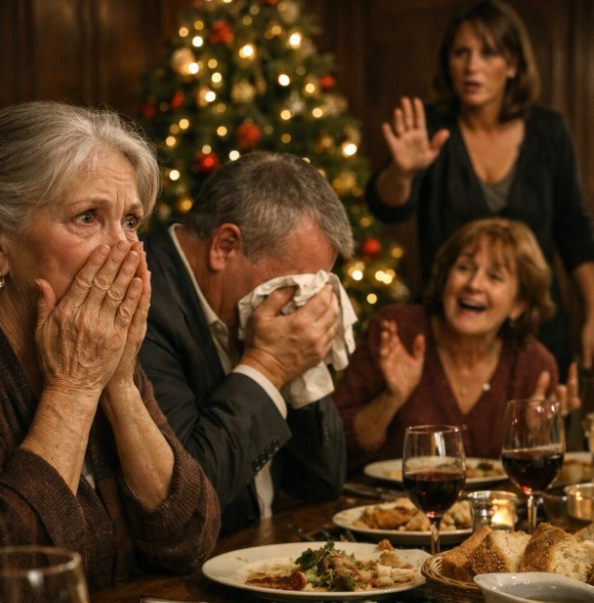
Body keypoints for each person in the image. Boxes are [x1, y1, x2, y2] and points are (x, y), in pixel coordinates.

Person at [0, 101, 220, 593]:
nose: (123, 249)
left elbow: (191, 539)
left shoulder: (99, 349)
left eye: (132, 221)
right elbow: (15, 582)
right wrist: (74, 388)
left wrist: (119, 383)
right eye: (87, 217)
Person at [365, 0, 594, 380]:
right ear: (448, 62)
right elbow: (388, 206)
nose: (472, 66)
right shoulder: (432, 126)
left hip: (536, 331)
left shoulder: (548, 131)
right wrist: (402, 173)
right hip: (450, 332)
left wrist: (591, 314)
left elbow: (576, 232)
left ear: (514, 64)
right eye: (461, 52)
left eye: (488, 53)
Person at [140, 151, 353, 536]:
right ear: (224, 246)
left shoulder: (258, 312)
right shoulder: (141, 306)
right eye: (296, 288)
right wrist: (267, 366)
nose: (301, 304)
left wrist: (301, 366)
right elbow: (185, 503)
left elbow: (321, 483)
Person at [334, 217, 578, 470]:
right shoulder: (396, 330)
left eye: (495, 276)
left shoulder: (533, 366)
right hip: (384, 507)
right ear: (445, 277)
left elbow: (536, 484)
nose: (473, 285)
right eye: (464, 268)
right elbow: (336, 447)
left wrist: (537, 439)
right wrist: (391, 398)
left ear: (519, 304)